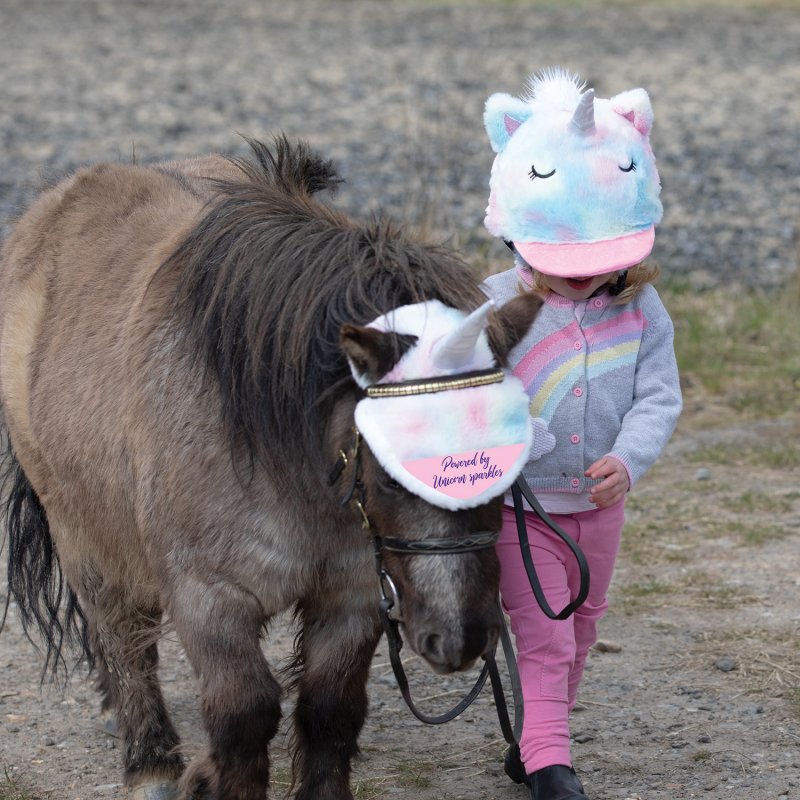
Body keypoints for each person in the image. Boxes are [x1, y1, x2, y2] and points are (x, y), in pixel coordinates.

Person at [481, 68, 682, 800]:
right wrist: (517, 437)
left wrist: (629, 460)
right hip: (522, 507)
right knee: (545, 632)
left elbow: (659, 398)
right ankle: (551, 770)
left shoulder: (641, 309)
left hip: (600, 506)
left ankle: (539, 740)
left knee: (585, 627)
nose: (578, 281)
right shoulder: (497, 307)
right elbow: (474, 395)